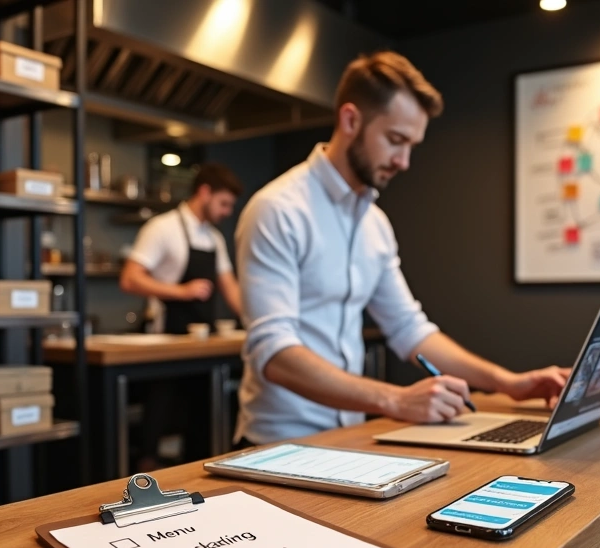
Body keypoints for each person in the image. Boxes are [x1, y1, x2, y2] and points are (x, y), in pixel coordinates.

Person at [235, 51, 570, 446]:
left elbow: (410, 330)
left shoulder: (374, 223)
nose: (405, 161)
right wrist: (395, 399)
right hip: (277, 444)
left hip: (345, 438)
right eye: (396, 140)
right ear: (350, 120)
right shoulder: (278, 209)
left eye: (412, 145)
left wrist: (508, 383)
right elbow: (274, 354)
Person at [120, 162, 244, 467]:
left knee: (201, 424)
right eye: (224, 203)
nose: (227, 212)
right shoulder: (162, 228)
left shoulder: (213, 238)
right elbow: (130, 278)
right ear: (205, 192)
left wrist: (257, 322)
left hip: (201, 346)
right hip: (165, 342)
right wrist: (181, 291)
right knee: (159, 419)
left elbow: (229, 286)